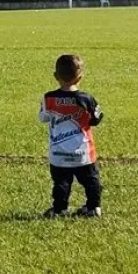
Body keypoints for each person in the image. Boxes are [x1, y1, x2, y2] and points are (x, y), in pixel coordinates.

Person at [39, 54, 105, 218]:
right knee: (91, 180)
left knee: (60, 182)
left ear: (56, 76)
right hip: (83, 152)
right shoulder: (86, 99)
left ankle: (60, 208)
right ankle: (93, 207)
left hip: (59, 153)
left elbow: (43, 118)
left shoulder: (49, 99)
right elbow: (96, 119)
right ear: (80, 77)